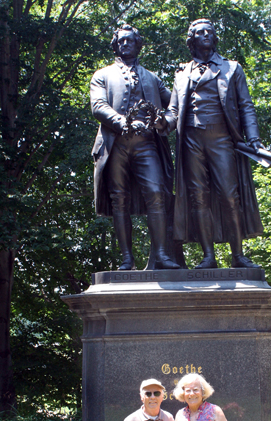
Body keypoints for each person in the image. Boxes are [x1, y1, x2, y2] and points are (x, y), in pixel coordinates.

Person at [164, 19, 265, 269]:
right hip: (190, 140)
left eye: (210, 31)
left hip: (221, 138)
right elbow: (173, 112)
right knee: (198, 198)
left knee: (230, 196)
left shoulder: (232, 68)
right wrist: (160, 121)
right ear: (192, 40)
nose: (206, 34)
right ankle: (208, 256)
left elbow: (246, 107)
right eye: (200, 32)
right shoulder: (181, 74)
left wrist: (253, 138)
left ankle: (238, 255)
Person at [90, 24, 180, 271]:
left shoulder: (152, 77)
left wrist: (165, 121)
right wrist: (123, 121)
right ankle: (127, 259)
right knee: (119, 199)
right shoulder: (103, 75)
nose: (125, 44)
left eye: (130, 40)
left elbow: (174, 105)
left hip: (147, 145)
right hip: (115, 144)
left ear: (138, 44)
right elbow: (98, 105)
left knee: (156, 193)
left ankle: (161, 255)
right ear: (115, 45)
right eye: (121, 41)